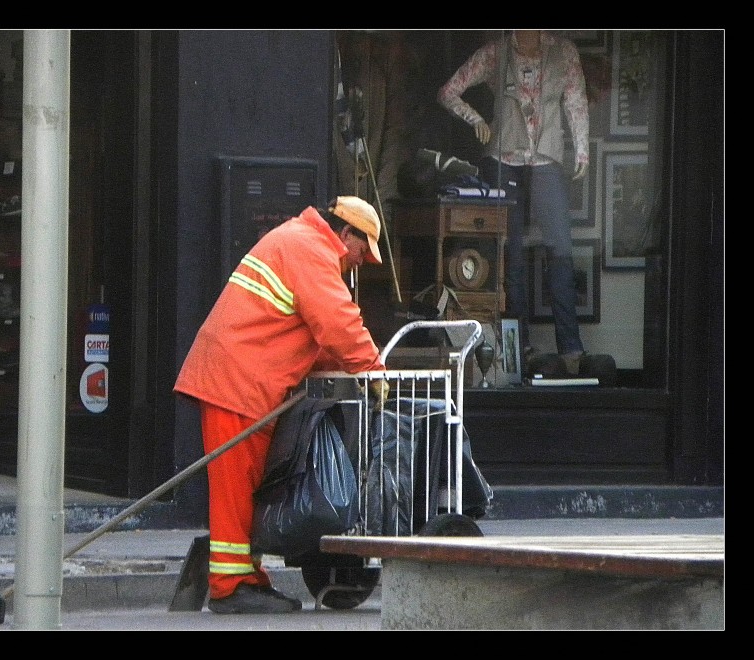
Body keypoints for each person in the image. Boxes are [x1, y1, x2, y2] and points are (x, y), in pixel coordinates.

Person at [174, 196, 388, 614]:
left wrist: (347, 365)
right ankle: (230, 585)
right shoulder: (310, 248)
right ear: (346, 234)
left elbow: (310, 331)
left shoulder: (297, 242)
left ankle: (245, 578)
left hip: (240, 379)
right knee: (236, 491)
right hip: (237, 381)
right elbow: (336, 322)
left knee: (242, 488)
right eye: (363, 252)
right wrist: (373, 369)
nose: (361, 262)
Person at [438, 30, 589, 374]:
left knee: (560, 250)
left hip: (548, 159)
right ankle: (519, 348)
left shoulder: (563, 53)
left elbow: (575, 100)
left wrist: (582, 149)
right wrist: (476, 119)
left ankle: (571, 348)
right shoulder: (496, 54)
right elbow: (448, 92)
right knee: (511, 254)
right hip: (503, 158)